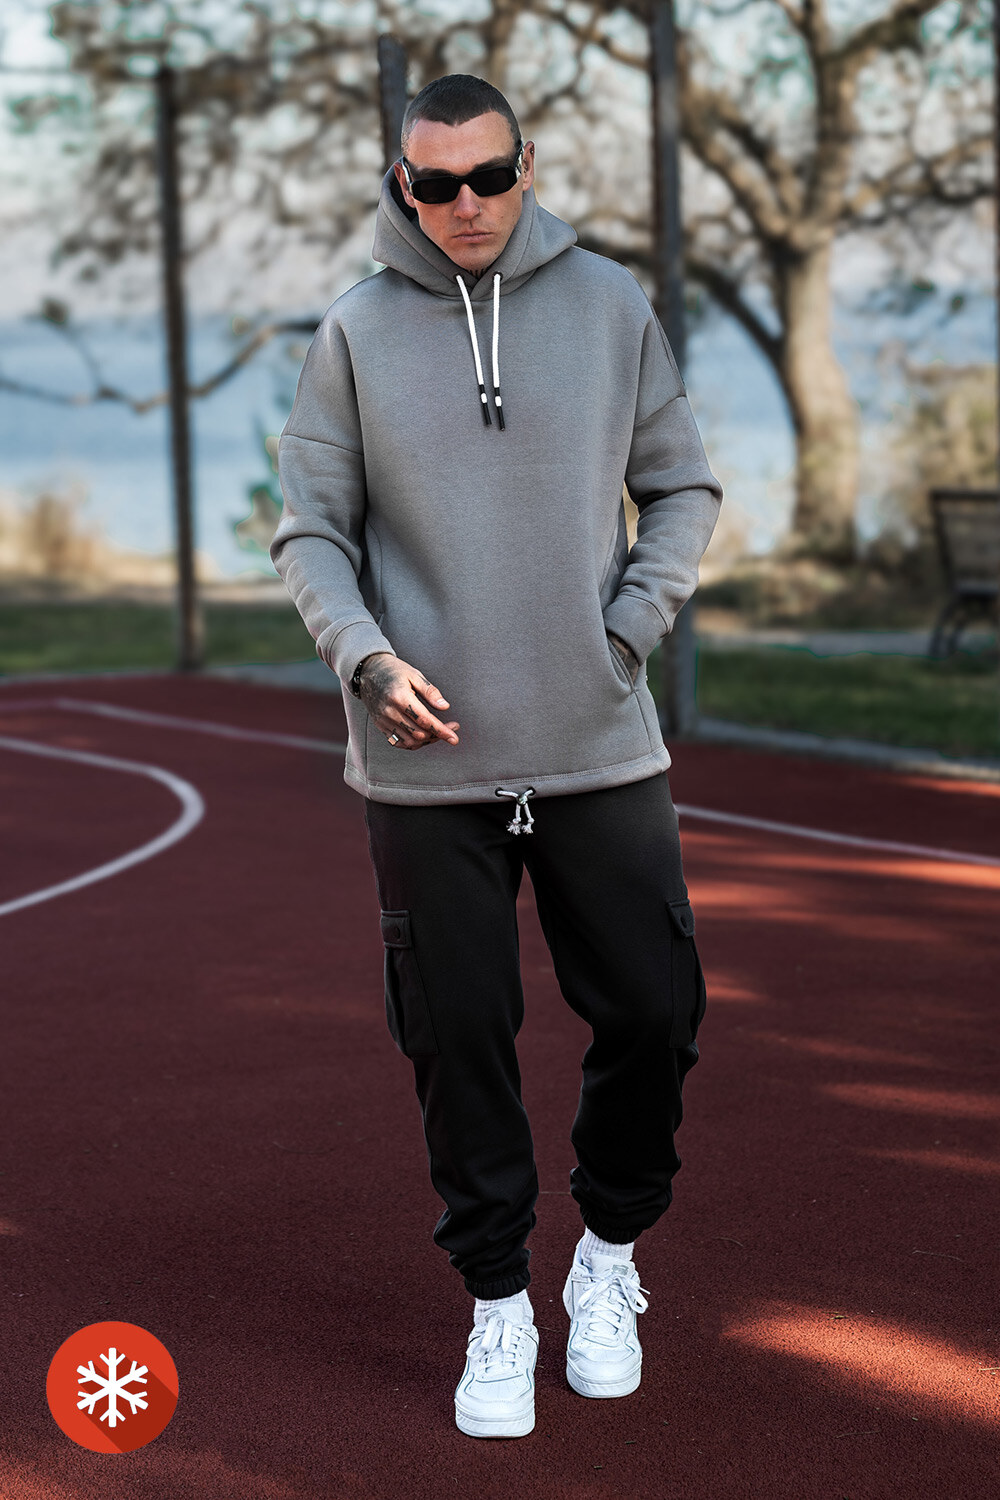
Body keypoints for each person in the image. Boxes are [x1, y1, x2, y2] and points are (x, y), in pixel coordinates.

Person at [271, 74, 723, 1439]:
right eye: (434, 184)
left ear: (526, 166)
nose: (465, 204)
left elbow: (682, 486)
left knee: (653, 1009)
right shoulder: (355, 331)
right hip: (425, 763)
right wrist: (365, 660)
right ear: (402, 186)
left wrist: (626, 633)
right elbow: (310, 531)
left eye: (488, 176)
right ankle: (497, 1301)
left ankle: (608, 1255)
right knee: (456, 1037)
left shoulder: (609, 304)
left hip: (598, 742)